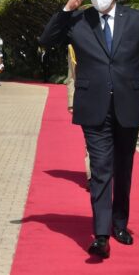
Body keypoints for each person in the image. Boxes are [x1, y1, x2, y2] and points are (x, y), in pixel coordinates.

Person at [40, 0, 139, 259]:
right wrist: (68, 7)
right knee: (99, 169)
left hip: (128, 105)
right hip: (93, 106)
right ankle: (100, 235)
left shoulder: (135, 19)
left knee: (123, 169)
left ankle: (119, 223)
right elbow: (46, 40)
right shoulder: (79, 20)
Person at [64, 43, 91, 190]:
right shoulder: (74, 46)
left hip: (113, 98)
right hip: (87, 98)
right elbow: (72, 75)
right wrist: (71, 101)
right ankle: (92, 176)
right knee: (91, 141)